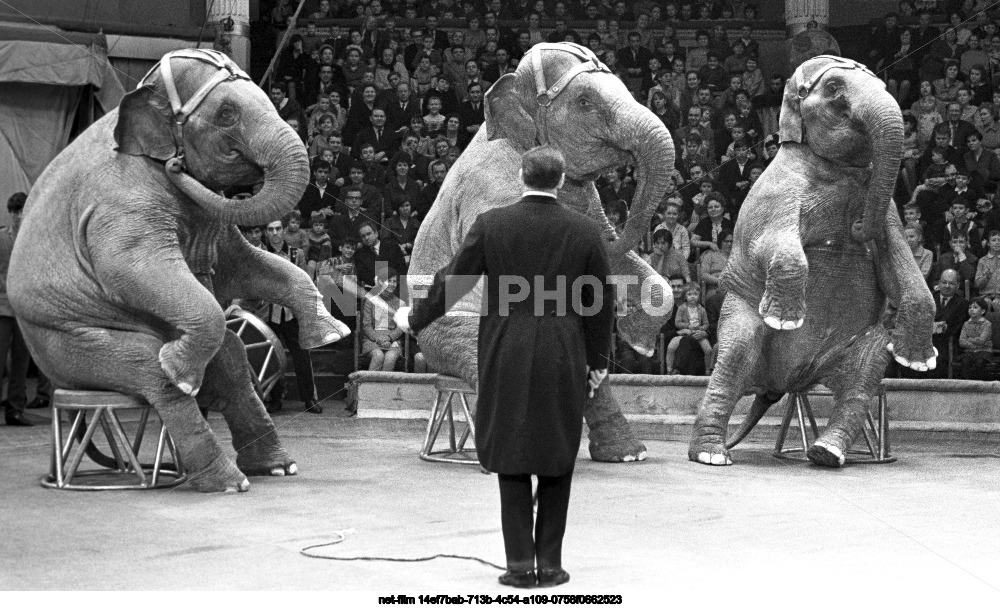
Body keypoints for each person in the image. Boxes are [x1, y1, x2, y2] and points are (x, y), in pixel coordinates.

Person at [394, 146, 615, 588]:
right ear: (561, 179)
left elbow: (453, 281)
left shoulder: (492, 224)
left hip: (505, 347)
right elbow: (601, 304)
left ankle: (518, 567)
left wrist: (414, 319)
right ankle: (549, 566)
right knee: (557, 456)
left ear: (520, 176)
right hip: (562, 349)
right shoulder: (586, 231)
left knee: (512, 455)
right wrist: (597, 362)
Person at [258, 219, 322, 414]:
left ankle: (309, 398)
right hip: (268, 312)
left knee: (302, 354)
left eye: (278, 229)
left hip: (291, 313)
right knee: (271, 357)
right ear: (266, 232)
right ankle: (274, 398)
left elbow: (303, 282)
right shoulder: (259, 254)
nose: (275, 233)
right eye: (270, 229)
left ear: (284, 230)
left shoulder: (297, 254)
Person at [0, 192, 32, 426]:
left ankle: (15, 409)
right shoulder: (2, 238)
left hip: (24, 310)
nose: (20, 216)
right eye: (16, 212)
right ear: (10, 213)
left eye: (24, 211)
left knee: (21, 363)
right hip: (2, 308)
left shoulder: (33, 239)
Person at [361, 269, 404, 371]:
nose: (392, 284)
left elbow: (401, 327)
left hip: (392, 341)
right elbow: (366, 326)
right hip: (372, 340)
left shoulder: (400, 303)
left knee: (390, 357)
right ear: (380, 282)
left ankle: (384, 387)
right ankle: (370, 387)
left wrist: (389, 338)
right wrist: (379, 339)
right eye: (389, 281)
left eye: (394, 281)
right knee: (378, 355)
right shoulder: (370, 301)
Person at [666, 283, 713, 375]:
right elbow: (677, 323)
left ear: (699, 296)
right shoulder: (681, 308)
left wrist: (701, 329)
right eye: (689, 294)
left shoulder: (701, 309)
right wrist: (687, 326)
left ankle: (708, 371)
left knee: (708, 350)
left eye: (695, 294)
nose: (693, 297)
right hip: (685, 333)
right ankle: (669, 369)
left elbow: (706, 324)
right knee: (671, 347)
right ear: (685, 296)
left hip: (698, 334)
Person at [959, 298, 993, 380]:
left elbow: (982, 341)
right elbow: (961, 341)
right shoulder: (966, 324)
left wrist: (969, 339)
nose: (971, 310)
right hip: (969, 351)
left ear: (982, 311)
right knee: (965, 361)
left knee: (979, 362)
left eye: (975, 307)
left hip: (984, 351)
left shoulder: (987, 324)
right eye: (970, 307)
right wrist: (973, 344)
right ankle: (966, 385)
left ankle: (979, 385)